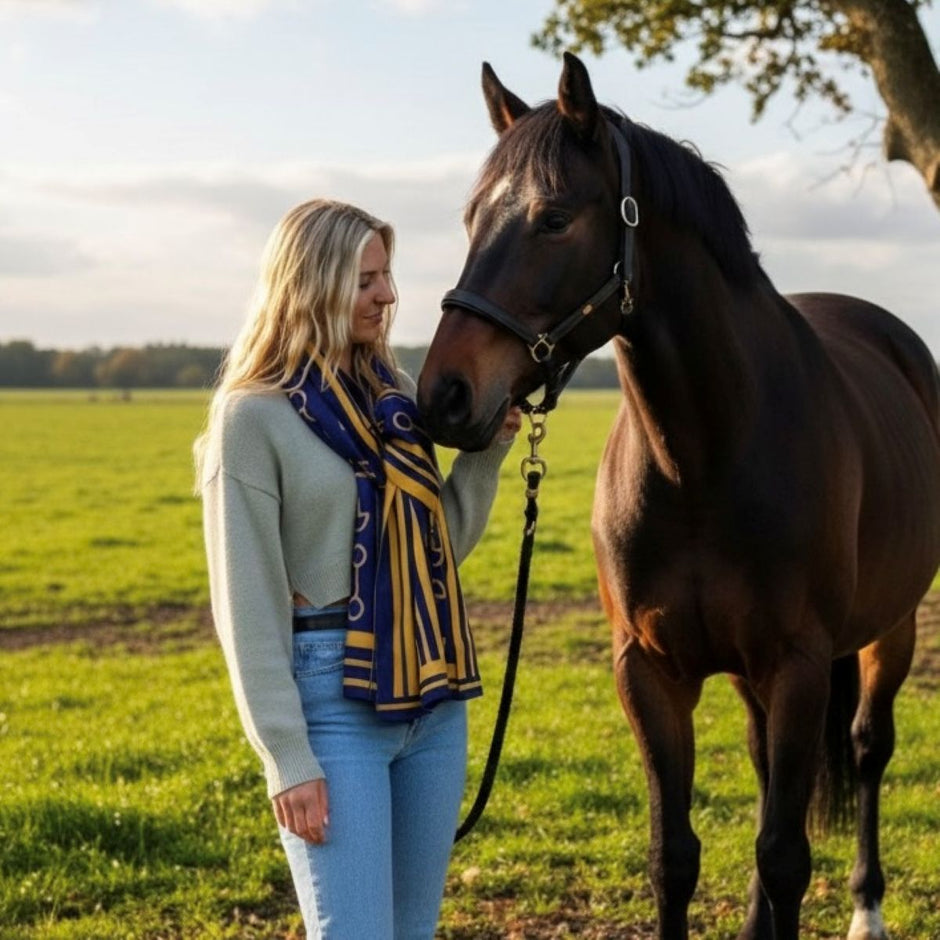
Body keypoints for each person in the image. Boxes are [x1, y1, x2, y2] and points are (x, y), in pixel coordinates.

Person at [194, 198, 520, 939]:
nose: (388, 295)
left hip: (432, 700)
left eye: (387, 275)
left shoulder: (396, 399)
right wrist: (286, 756)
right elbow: (245, 607)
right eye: (365, 279)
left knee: (412, 932)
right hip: (332, 703)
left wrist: (486, 456)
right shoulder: (252, 417)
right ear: (310, 285)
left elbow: (437, 552)